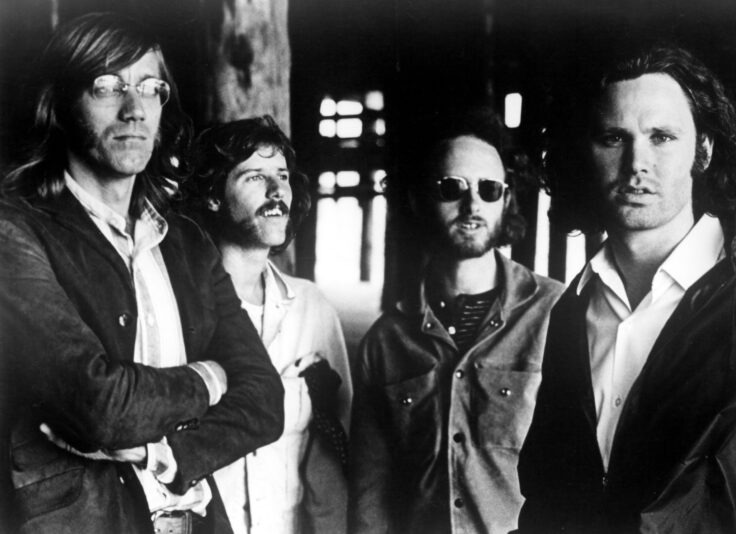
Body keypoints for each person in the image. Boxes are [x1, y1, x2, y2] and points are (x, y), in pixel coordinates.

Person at [0, 13, 284, 534]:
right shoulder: (16, 231)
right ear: (59, 105)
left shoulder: (187, 242)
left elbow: (265, 399)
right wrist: (211, 376)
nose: (134, 109)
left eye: (151, 88)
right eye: (107, 86)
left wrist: (166, 454)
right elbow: (101, 406)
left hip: (193, 519)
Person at [518, 44, 736, 533]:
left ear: (703, 150)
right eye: (614, 137)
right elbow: (549, 495)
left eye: (662, 137)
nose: (637, 162)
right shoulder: (571, 310)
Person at [349, 108, 564, 534]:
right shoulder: (385, 341)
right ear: (417, 199)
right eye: (451, 188)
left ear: (506, 200)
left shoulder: (557, 314)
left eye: (489, 189)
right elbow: (371, 494)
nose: (472, 205)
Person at [184, 116, 352, 534]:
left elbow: (336, 449)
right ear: (212, 196)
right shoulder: (179, 309)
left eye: (283, 176)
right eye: (255, 177)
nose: (278, 191)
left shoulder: (312, 308)